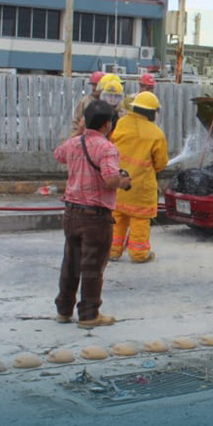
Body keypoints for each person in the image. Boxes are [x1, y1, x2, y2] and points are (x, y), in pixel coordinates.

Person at [54, 100, 132, 328]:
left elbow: (58, 155)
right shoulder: (107, 148)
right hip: (95, 216)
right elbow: (109, 179)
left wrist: (78, 133)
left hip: (71, 213)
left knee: (70, 263)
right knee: (92, 266)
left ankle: (64, 310)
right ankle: (89, 315)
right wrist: (124, 181)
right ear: (108, 124)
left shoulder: (74, 143)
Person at [110, 91, 168, 263]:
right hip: (141, 187)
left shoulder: (121, 124)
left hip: (118, 183)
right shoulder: (156, 133)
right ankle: (139, 254)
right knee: (139, 221)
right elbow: (160, 163)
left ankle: (113, 251)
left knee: (117, 218)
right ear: (152, 112)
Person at [70, 71, 113, 136]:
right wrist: (75, 135)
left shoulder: (111, 102)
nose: (94, 88)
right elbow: (76, 121)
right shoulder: (85, 101)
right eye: (93, 85)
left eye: (96, 85)